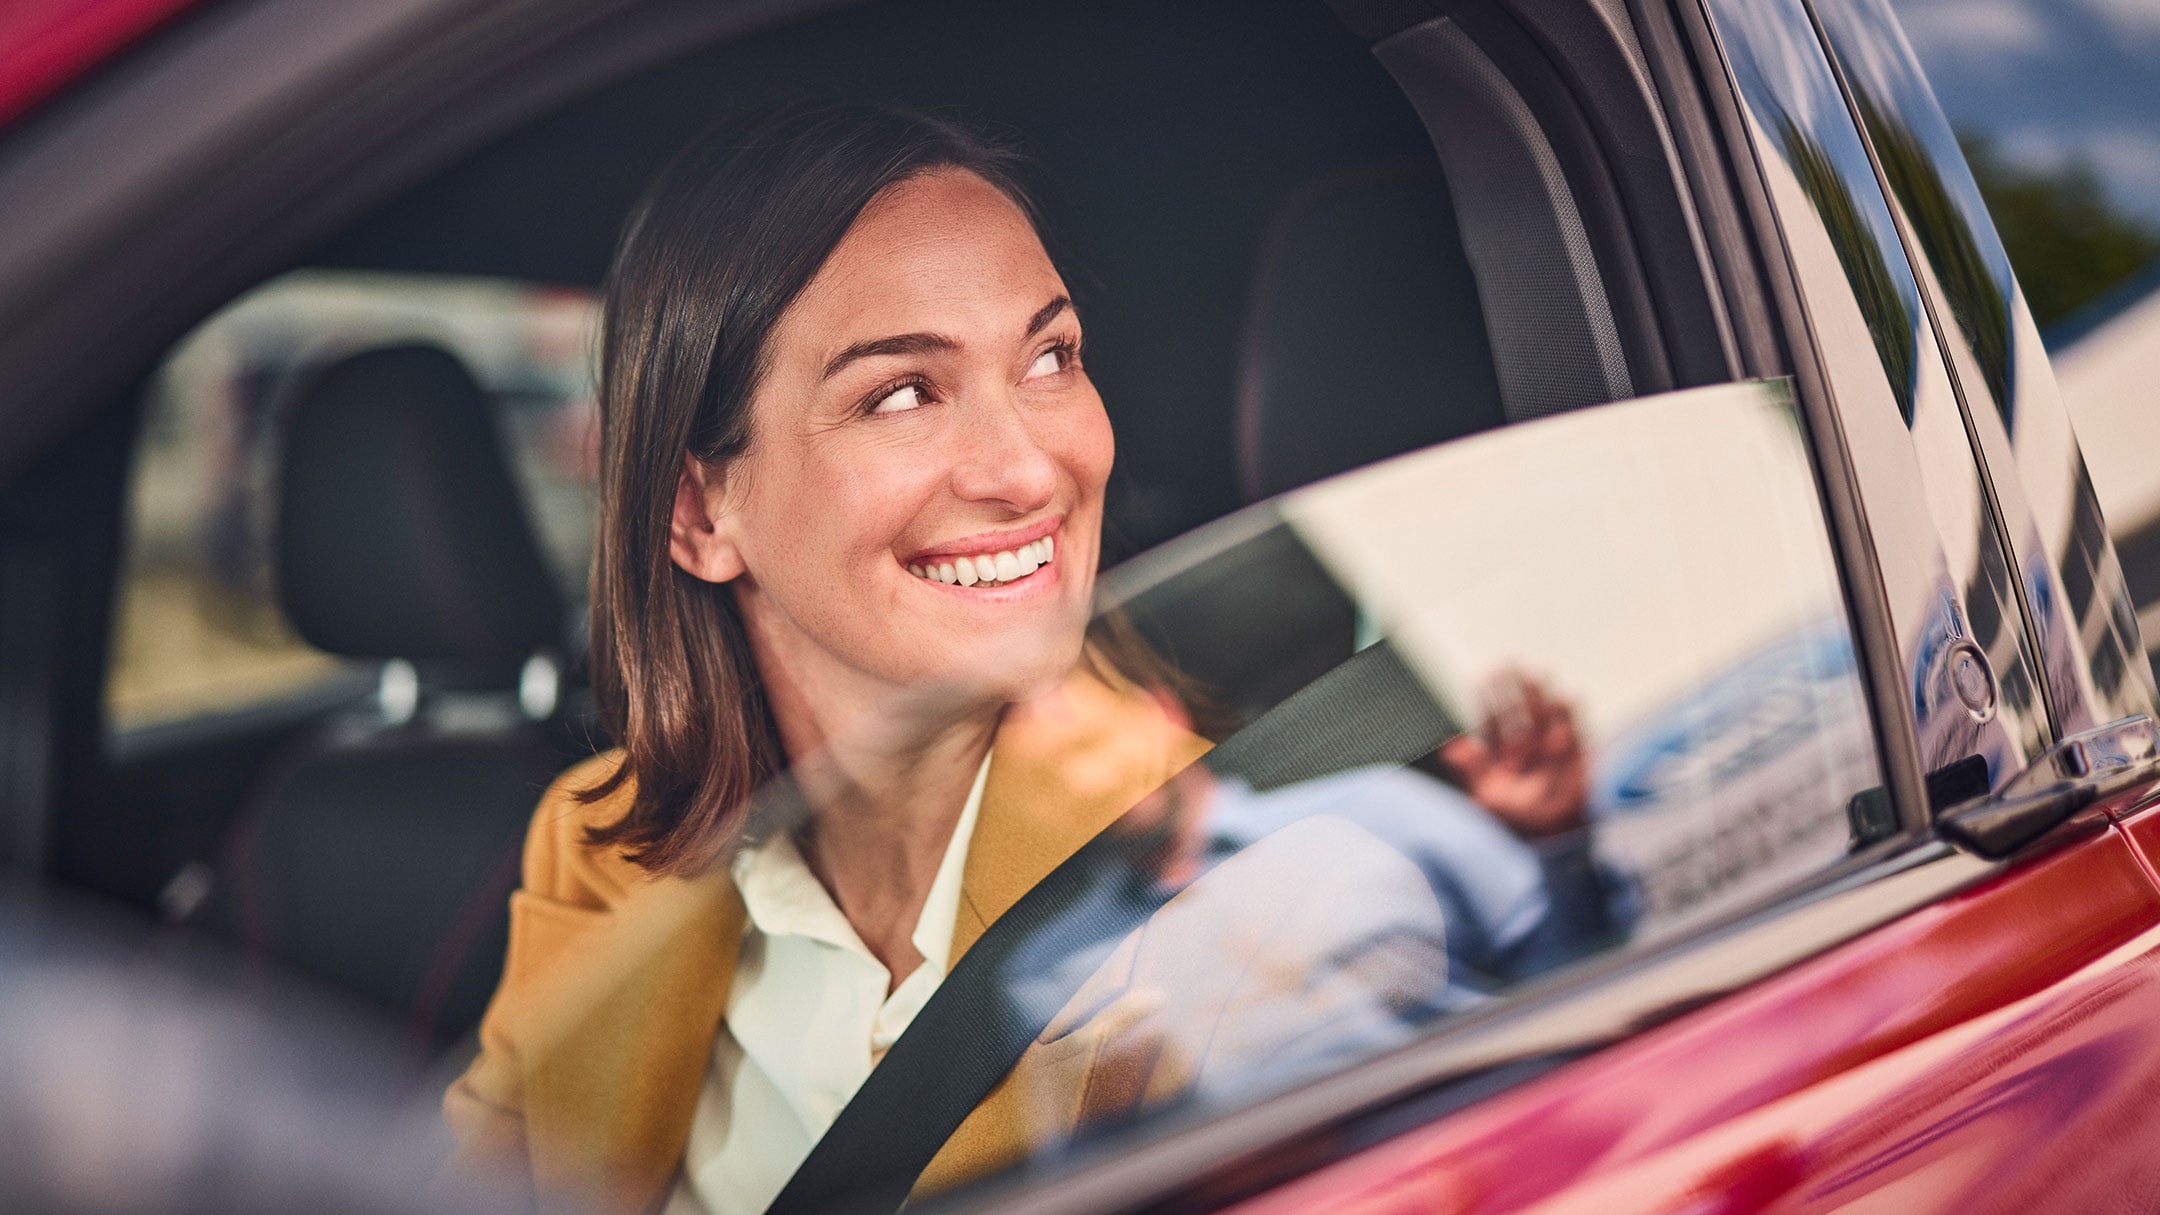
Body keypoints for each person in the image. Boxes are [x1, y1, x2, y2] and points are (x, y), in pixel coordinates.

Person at [444, 102, 1622, 1215]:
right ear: (698, 516)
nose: (1027, 469)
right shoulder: (599, 850)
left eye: (1050, 359)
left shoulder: (1259, 906)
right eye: (903, 392)